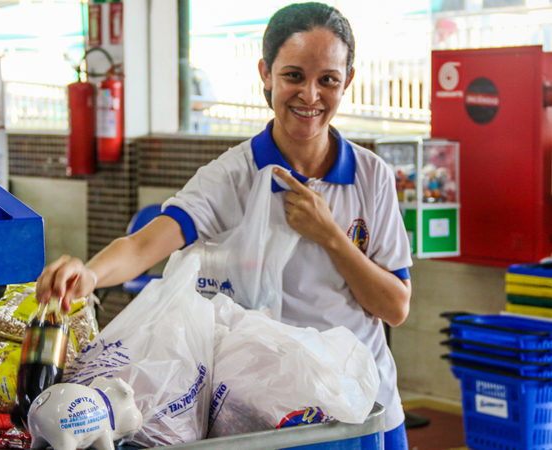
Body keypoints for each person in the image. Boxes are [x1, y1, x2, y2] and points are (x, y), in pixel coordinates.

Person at [37, 3, 411, 448]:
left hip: (363, 409)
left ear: (346, 81)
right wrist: (92, 275)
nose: (310, 95)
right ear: (266, 75)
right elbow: (144, 245)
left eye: (327, 79)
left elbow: (395, 308)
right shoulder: (233, 176)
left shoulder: (371, 176)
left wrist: (330, 235)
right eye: (293, 76)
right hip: (271, 414)